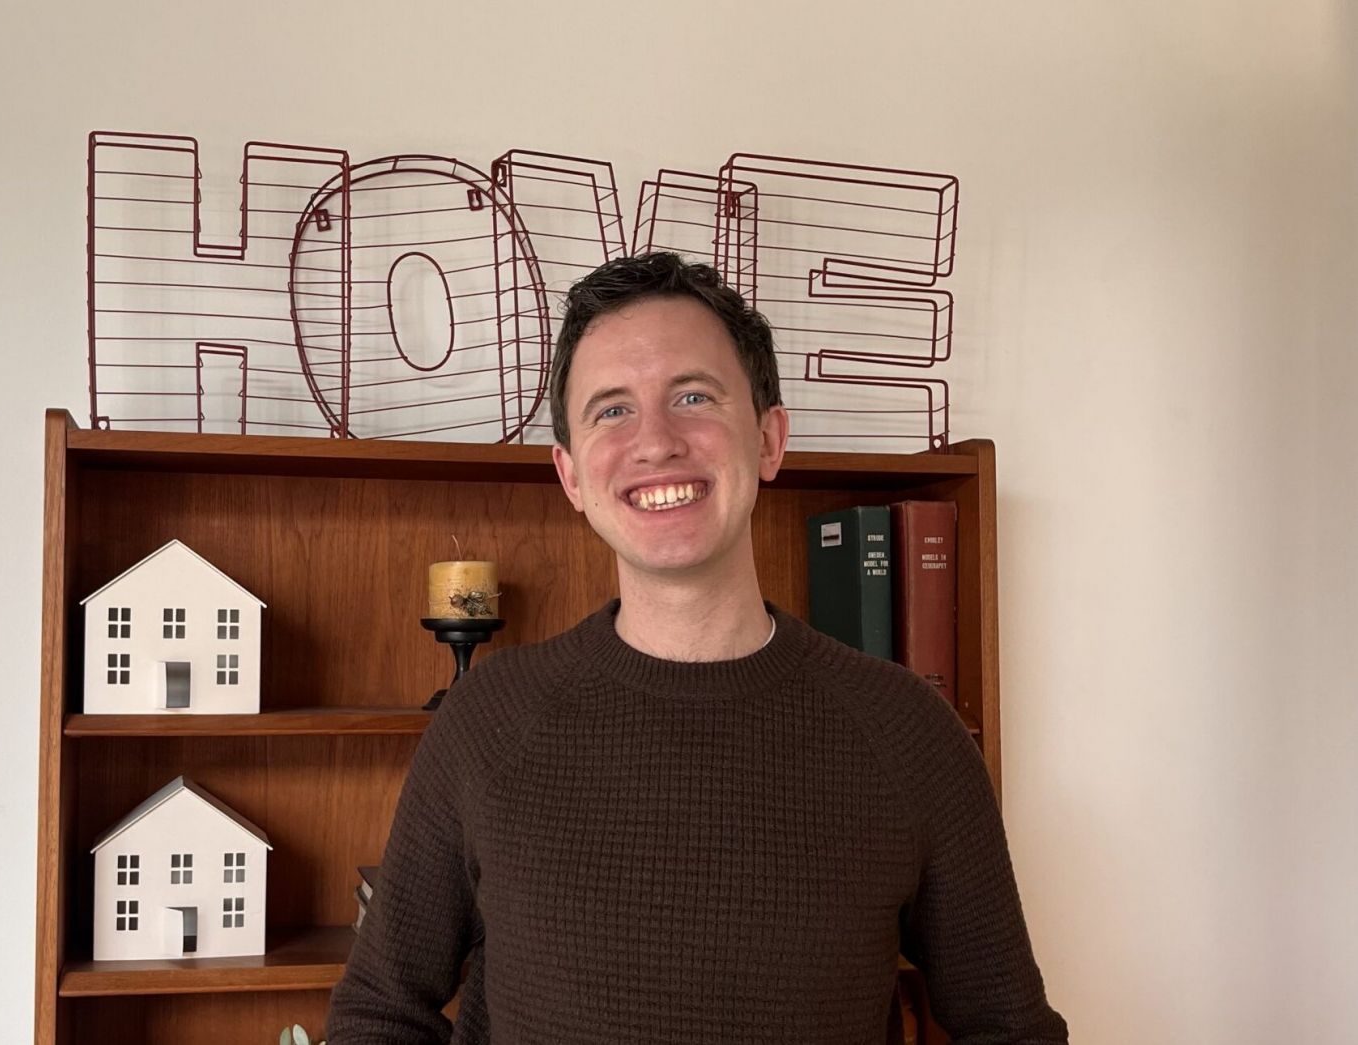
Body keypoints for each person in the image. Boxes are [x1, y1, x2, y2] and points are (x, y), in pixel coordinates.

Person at [327, 252, 1068, 1044]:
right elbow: (379, 1013)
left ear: (769, 439)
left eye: (693, 396)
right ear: (571, 475)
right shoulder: (486, 720)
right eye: (612, 410)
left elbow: (1010, 1029)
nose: (656, 442)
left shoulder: (910, 732)